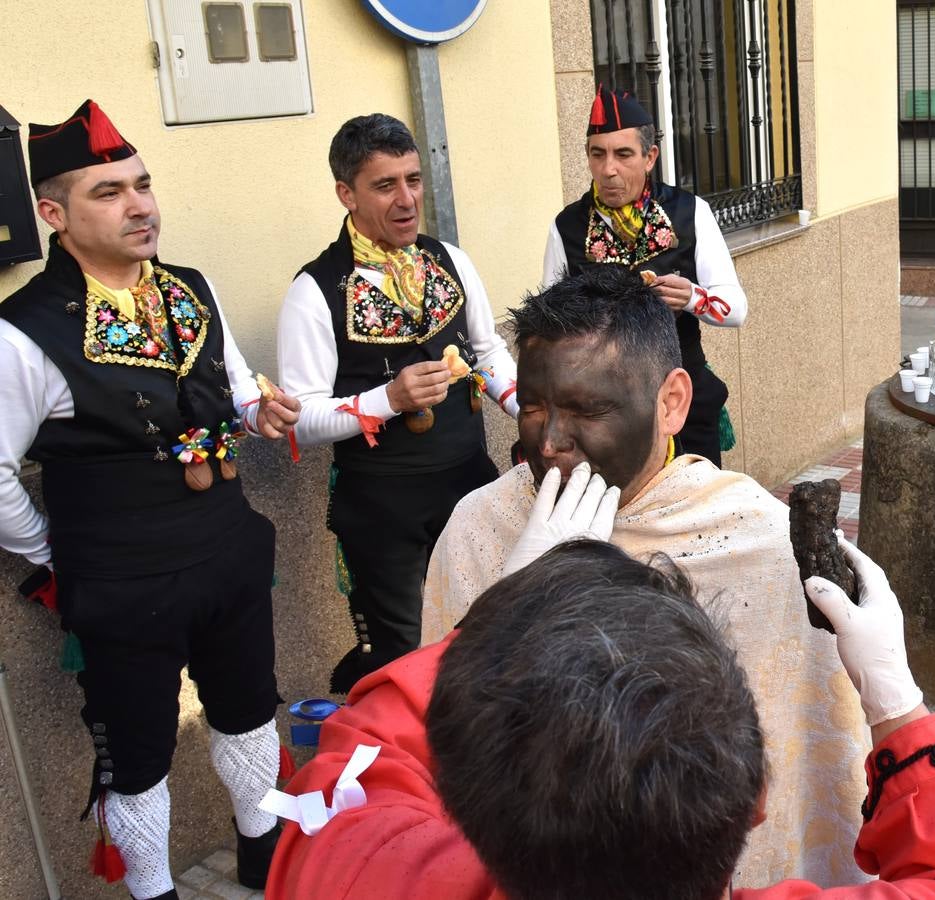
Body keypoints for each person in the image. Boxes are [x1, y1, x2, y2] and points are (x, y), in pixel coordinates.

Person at [265, 535, 935, 899]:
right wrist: (893, 697)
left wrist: (497, 626)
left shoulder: (369, 872)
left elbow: (359, 755)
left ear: (463, 807)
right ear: (757, 806)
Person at [419, 266, 868, 888]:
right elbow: (437, 735)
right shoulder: (480, 528)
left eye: (588, 409)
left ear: (671, 402)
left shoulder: (760, 540)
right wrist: (516, 597)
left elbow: (803, 755)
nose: (549, 442)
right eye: (533, 407)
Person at [0, 100, 301, 899]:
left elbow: (235, 386)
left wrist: (255, 410)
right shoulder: (23, 331)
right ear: (52, 214)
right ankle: (152, 892)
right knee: (137, 755)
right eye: (110, 192)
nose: (141, 206)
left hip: (226, 548)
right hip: (124, 580)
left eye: (143, 184)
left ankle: (261, 852)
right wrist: (54, 554)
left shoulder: (190, 289)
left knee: (246, 711)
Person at [277, 114, 519, 693]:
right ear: (347, 193)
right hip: (383, 510)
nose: (407, 199)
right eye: (385, 185)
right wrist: (388, 398)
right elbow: (300, 421)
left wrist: (529, 410)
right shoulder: (315, 289)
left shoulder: (451, 260)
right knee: (405, 657)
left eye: (413, 179)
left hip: (470, 483)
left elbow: (486, 354)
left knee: (492, 632)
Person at [542, 86, 746, 467]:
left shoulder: (689, 212)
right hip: (603, 412)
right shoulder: (567, 227)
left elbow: (736, 309)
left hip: (682, 400)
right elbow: (549, 331)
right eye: (597, 154)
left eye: (623, 154)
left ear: (650, 157)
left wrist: (692, 298)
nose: (609, 169)